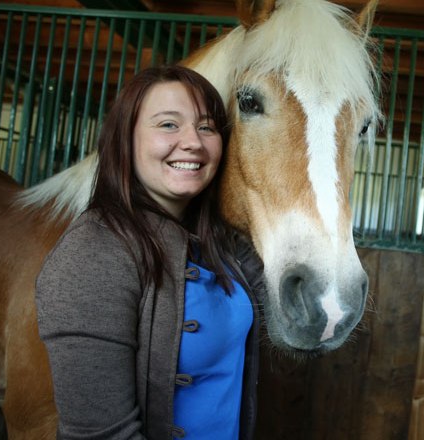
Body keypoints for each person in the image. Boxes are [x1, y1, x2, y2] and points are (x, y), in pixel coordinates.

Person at [35, 65, 264, 440]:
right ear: (125, 138)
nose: (193, 141)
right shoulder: (91, 254)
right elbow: (100, 435)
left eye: (207, 127)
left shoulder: (218, 242)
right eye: (168, 125)